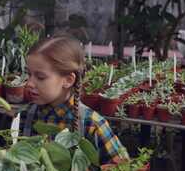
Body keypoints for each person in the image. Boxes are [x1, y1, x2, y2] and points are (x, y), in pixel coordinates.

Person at [23, 36, 129, 164]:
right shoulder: (25, 115)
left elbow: (124, 170)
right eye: (29, 74)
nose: (29, 83)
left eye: (40, 77)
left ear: (68, 80)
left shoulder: (91, 123)